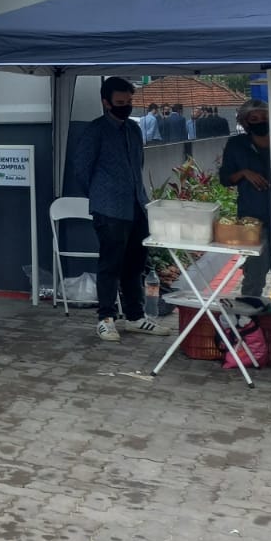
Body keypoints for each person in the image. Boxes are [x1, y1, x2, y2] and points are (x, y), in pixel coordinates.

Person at [70, 76, 174, 342]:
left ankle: (135, 316)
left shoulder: (133, 129)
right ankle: (105, 318)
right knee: (110, 264)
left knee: (135, 264)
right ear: (106, 102)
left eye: (129, 102)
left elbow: (138, 164)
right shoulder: (95, 130)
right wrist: (100, 196)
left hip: (136, 205)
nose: (125, 106)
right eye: (119, 102)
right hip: (109, 209)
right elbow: (81, 170)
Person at [219, 100, 271, 302]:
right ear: (246, 122)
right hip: (252, 220)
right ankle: (248, 324)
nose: (260, 122)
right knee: (253, 277)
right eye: (254, 119)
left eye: (265, 118)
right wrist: (243, 173)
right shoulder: (236, 145)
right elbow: (225, 179)